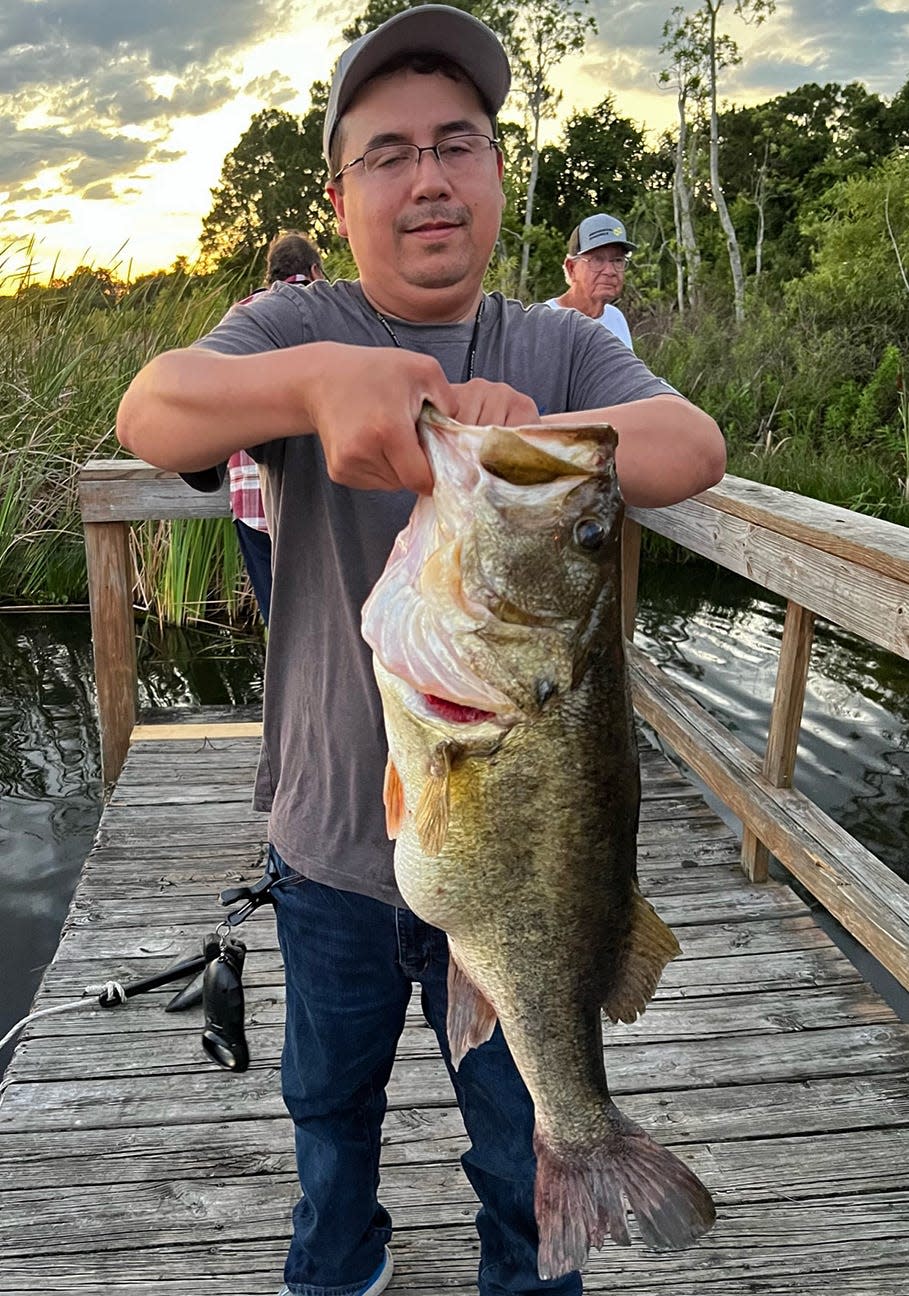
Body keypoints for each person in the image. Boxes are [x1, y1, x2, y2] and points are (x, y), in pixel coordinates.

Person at [116, 7, 726, 1295]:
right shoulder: (289, 331)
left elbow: (693, 451)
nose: (429, 177)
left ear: (501, 175)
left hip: (524, 884)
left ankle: (540, 1257)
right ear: (341, 196)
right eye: (388, 153)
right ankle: (338, 1269)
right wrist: (319, 384)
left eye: (459, 144)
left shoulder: (551, 342)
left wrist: (525, 436)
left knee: (520, 1140)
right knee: (326, 1112)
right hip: (331, 843)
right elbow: (151, 407)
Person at [228, 231, 325, 624]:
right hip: (321, 503)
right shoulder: (331, 309)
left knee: (283, 630)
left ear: (271, 276)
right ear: (315, 270)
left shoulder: (242, 317)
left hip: (252, 502)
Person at [546, 214, 636, 350]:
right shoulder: (545, 322)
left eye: (618, 260)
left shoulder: (615, 318)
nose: (610, 271)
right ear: (571, 268)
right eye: (597, 260)